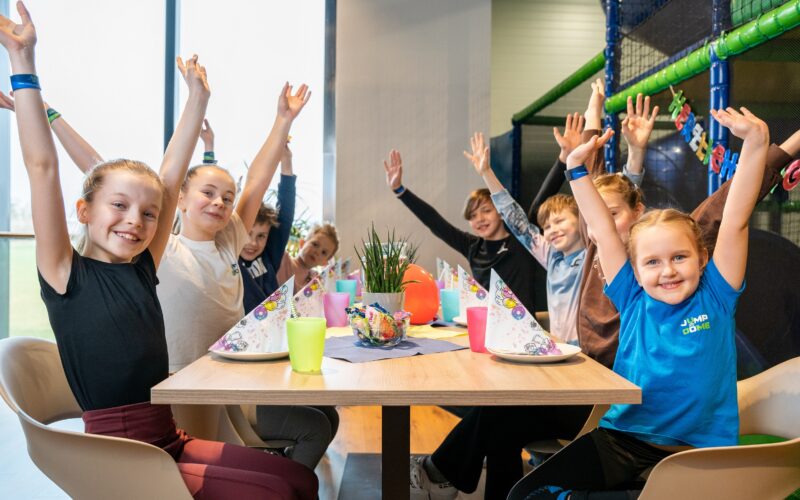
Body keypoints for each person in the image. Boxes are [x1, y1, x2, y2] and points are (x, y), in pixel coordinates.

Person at [0, 3, 317, 498]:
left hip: (167, 435)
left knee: (300, 478)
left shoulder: (143, 266)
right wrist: (23, 63)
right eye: (119, 206)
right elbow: (42, 167)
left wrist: (198, 98)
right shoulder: (65, 273)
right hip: (123, 450)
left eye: (149, 214)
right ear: (84, 211)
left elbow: (170, 176)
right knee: (277, 493)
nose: (136, 221)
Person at [513, 107, 769, 499]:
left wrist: (755, 143)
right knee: (528, 495)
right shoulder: (631, 295)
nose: (667, 271)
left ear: (702, 258)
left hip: (697, 450)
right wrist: (576, 171)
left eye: (679, 257)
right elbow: (602, 228)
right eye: (652, 262)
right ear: (634, 268)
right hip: (625, 439)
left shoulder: (716, 295)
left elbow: (735, 219)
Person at [158, 80, 310, 372]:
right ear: (180, 199)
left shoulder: (229, 243)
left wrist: (283, 121)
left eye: (227, 198)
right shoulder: (165, 247)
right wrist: (197, 100)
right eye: (208, 193)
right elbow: (168, 177)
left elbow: (256, 182)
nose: (219, 202)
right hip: (184, 375)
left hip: (231, 368)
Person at [383, 149, 540, 314]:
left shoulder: (523, 242)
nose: (479, 219)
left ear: (501, 212)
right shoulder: (473, 246)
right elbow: (435, 223)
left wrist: (562, 160)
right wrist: (399, 190)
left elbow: (539, 201)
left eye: (486, 210)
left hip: (525, 332)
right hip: (488, 328)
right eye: (472, 215)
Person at [275, 222, 340, 287]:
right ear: (302, 243)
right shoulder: (283, 259)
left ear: (325, 262)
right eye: (315, 244)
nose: (317, 252)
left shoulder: (316, 282)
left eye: (324, 252)